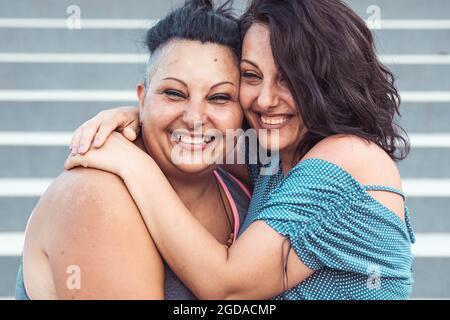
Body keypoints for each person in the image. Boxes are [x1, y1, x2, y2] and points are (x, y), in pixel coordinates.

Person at [67, 0, 416, 300]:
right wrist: (141, 116)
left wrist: (132, 164)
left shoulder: (349, 157)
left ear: (327, 80)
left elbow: (227, 287)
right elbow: (197, 138)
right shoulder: (275, 155)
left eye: (288, 79)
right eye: (251, 76)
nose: (264, 99)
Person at [15, 0, 250, 300]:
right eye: (174, 93)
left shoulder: (241, 182)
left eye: (219, 97)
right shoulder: (96, 198)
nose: (194, 118)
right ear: (142, 99)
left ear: (242, 109)